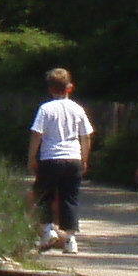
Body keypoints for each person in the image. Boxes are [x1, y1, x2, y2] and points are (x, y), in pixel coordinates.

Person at [22, 66, 95, 256]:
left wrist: (32, 157)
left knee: (43, 194)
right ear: (69, 87)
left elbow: (37, 134)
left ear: (50, 89)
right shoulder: (78, 109)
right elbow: (86, 136)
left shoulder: (46, 109)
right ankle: (71, 240)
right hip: (73, 158)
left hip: (51, 158)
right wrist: (84, 159)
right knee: (69, 198)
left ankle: (48, 230)